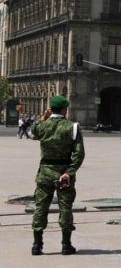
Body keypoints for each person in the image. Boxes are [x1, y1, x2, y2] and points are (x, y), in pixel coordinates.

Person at [29, 95, 85, 256]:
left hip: (45, 171)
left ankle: (37, 245)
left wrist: (42, 118)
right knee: (65, 207)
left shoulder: (43, 126)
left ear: (50, 109)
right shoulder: (72, 127)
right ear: (64, 109)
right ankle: (66, 245)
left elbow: (32, 133)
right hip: (64, 173)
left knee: (41, 207)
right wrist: (70, 171)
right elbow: (79, 153)